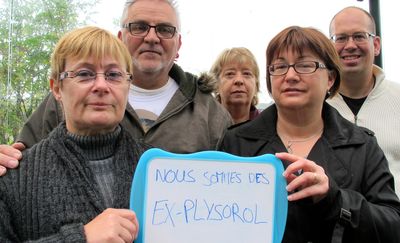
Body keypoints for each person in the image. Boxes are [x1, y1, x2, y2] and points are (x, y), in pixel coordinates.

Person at [0, 0, 233, 175]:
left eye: (164, 29)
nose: (152, 37)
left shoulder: (210, 113)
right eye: (139, 27)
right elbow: (23, 160)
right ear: (121, 37)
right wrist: (6, 159)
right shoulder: (68, 100)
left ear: (178, 43)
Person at [219, 26, 400, 242]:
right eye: (279, 66)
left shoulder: (362, 145)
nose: (290, 76)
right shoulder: (237, 144)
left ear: (330, 78)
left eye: (304, 65)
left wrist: (335, 199)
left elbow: (395, 230)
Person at [0, 26, 150, 242]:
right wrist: (81, 238)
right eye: (84, 74)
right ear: (57, 88)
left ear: (128, 85)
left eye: (114, 75)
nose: (101, 85)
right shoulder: (14, 178)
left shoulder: (160, 170)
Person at [327, 6, 400, 243]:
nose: (350, 45)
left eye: (359, 36)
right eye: (340, 38)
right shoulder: (315, 107)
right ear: (329, 48)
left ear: (376, 45)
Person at [209, 47, 260, 124]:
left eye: (246, 74)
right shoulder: (203, 127)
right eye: (230, 74)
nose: (239, 80)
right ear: (216, 84)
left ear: (256, 85)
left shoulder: (271, 127)